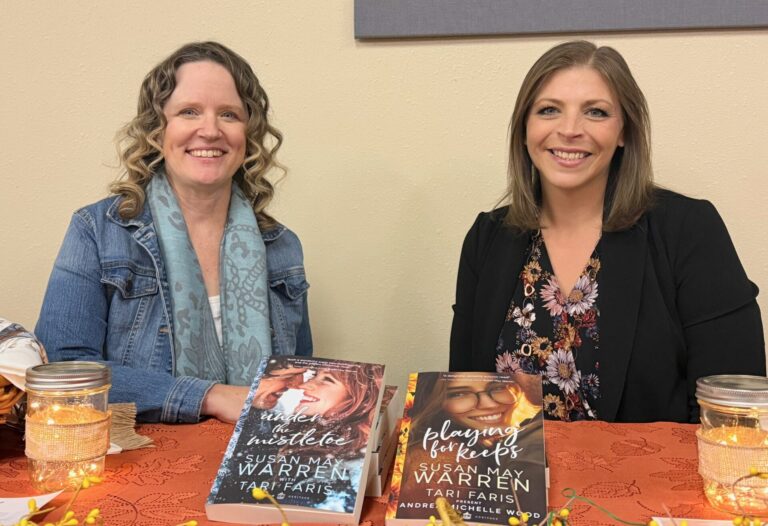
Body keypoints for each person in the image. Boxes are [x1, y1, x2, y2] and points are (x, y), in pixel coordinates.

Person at [450, 40, 765, 424]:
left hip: (652, 484)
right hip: (515, 484)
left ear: (624, 132)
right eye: (548, 110)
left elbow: (734, 410)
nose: (569, 130)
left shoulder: (689, 230)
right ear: (525, 128)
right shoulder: (487, 238)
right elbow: (464, 406)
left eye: (596, 113)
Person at [35, 42, 312, 424]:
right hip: (139, 464)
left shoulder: (281, 246)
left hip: (254, 471)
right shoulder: (96, 232)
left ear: (249, 132)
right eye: (189, 112)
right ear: (157, 129)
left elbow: (299, 380)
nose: (210, 130)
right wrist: (209, 396)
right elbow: (61, 374)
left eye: (229, 114)